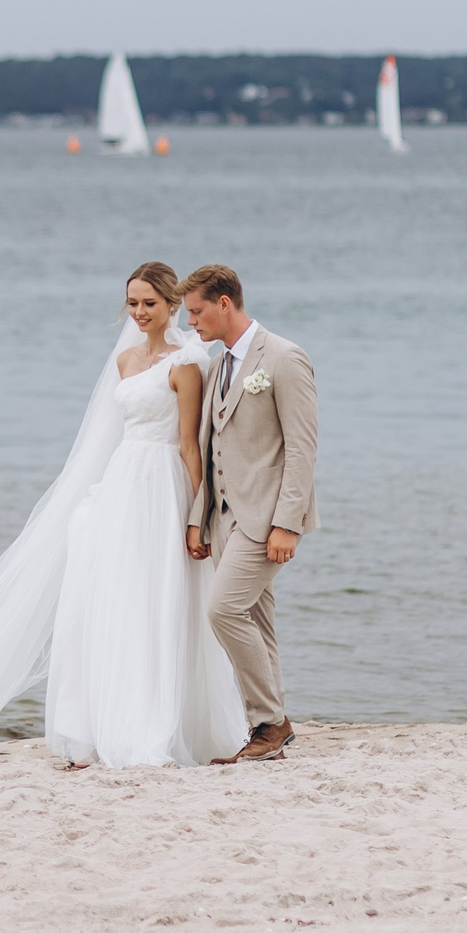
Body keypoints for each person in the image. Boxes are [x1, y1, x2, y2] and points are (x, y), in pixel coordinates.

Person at [0, 262, 249, 769]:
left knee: (159, 601)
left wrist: (198, 516)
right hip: (124, 484)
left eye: (150, 302)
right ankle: (98, 731)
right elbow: (107, 436)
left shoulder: (187, 363)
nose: (140, 312)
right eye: (132, 302)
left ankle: (154, 730)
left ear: (173, 305)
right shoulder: (125, 361)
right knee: (111, 602)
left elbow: (191, 447)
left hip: (162, 485)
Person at [180, 263, 318, 764]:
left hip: (267, 517)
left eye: (196, 311)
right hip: (225, 517)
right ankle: (268, 733)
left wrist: (289, 523)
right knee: (257, 620)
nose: (191, 321)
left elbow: (302, 449)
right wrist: (199, 517)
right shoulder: (218, 366)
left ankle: (270, 722)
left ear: (223, 303)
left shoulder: (283, 357)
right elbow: (208, 443)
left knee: (222, 609)